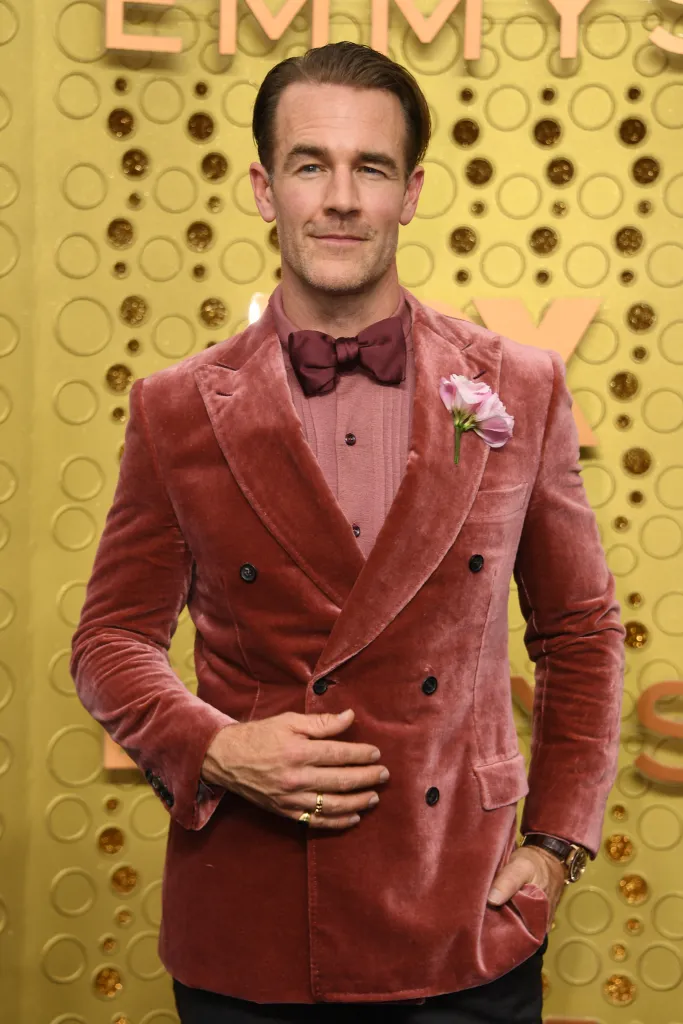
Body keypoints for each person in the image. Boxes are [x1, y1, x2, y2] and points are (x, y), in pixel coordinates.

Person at [70, 40, 625, 1024]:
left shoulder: (514, 387)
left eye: (368, 168)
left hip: (463, 919)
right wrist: (216, 748)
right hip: (253, 926)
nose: (338, 197)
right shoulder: (175, 408)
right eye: (308, 164)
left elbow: (578, 629)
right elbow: (110, 641)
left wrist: (556, 844)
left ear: (408, 192)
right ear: (263, 186)